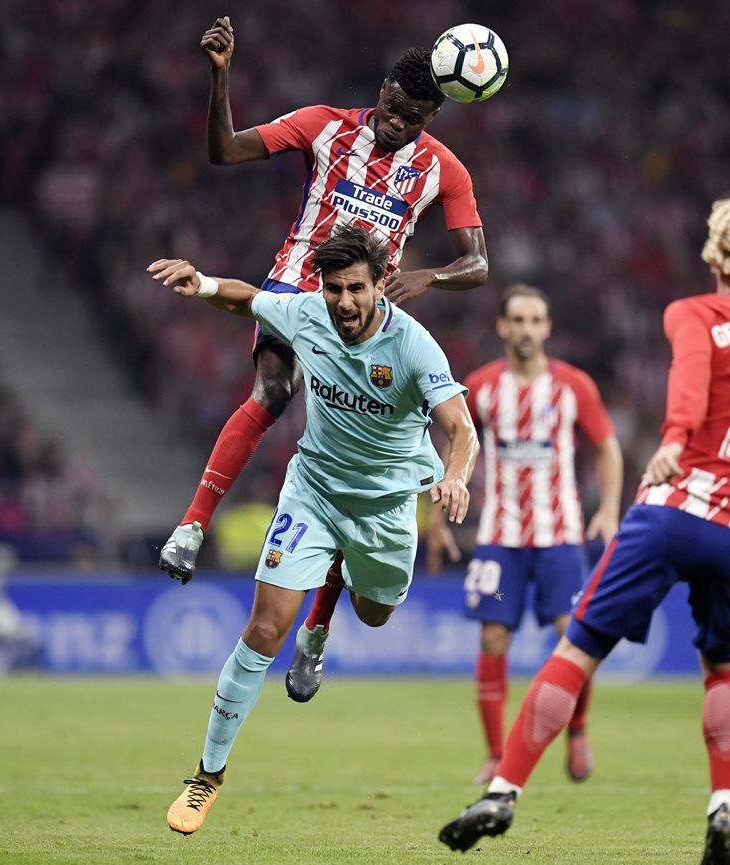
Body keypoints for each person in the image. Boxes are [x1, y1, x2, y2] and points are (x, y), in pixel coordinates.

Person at [437, 191, 730, 865]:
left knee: (578, 648)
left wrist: (680, 438)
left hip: (671, 508)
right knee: (725, 666)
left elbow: (687, 384)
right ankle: (723, 806)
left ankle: (504, 790)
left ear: (716, 250)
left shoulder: (693, 312)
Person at [148, 224, 480, 835]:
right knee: (264, 628)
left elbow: (462, 428)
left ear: (381, 285)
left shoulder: (414, 346)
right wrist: (202, 285)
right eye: (334, 290)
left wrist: (455, 477)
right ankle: (207, 775)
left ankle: (320, 627)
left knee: (376, 613)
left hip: (384, 512)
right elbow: (247, 298)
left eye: (357, 288)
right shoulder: (308, 315)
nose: (345, 303)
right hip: (315, 492)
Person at [158, 16, 488, 599]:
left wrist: (429, 276)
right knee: (274, 391)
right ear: (381, 90)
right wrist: (221, 79)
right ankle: (191, 525)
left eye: (410, 119)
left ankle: (317, 626)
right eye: (389, 107)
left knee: (356, 460)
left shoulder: (445, 170)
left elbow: (478, 264)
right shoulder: (324, 125)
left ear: (430, 119)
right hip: (299, 283)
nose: (393, 123)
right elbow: (225, 151)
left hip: (370, 310)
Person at [427, 283, 622, 785]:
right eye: (518, 320)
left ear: (548, 328)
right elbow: (450, 442)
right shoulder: (482, 386)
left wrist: (610, 510)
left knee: (571, 637)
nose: (527, 329)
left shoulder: (573, 386)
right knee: (493, 638)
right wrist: (433, 519)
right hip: (500, 541)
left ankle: (577, 730)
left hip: (561, 540)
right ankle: (496, 754)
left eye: (536, 320)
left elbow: (607, 447)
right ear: (502, 326)